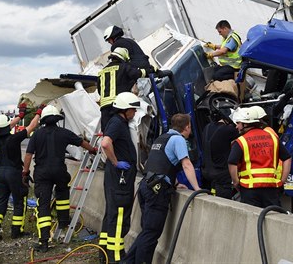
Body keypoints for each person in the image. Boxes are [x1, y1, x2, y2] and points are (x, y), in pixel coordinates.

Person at [124, 114, 201, 263]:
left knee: (146, 232)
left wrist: (175, 183)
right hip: (157, 191)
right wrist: (197, 187)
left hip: (146, 186)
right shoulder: (179, 139)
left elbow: (163, 163)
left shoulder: (162, 138)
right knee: (151, 234)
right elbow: (186, 164)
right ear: (187, 127)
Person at [23, 105, 97, 252]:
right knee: (62, 191)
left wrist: (25, 172)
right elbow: (81, 142)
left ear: (43, 120)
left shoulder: (37, 135)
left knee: (43, 205)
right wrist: (93, 150)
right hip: (59, 171)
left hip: (42, 173)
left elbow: (28, 155)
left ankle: (44, 241)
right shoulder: (64, 133)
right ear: (57, 119)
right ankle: (63, 221)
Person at [98, 92, 141, 263]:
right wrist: (116, 162)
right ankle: (116, 257)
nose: (135, 113)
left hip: (117, 176)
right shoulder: (117, 123)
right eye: (133, 109)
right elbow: (105, 143)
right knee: (120, 215)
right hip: (120, 176)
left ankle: (104, 254)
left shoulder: (118, 122)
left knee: (111, 213)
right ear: (125, 109)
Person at [0, 104, 41, 241]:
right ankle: (16, 231)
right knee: (19, 201)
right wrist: (38, 112)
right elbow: (32, 126)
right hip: (14, 172)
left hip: (0, 172)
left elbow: (7, 126)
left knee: (0, 201)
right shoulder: (14, 138)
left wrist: (20, 116)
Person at [228, 107, 292, 208]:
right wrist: (282, 180)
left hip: (249, 189)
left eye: (238, 123)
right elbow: (287, 158)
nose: (237, 127)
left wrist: (236, 183)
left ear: (246, 124)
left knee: (252, 220)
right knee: (272, 217)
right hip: (271, 188)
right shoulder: (273, 137)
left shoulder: (241, 141)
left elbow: (232, 162)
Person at [98, 47, 150, 130]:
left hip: (104, 108)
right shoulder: (123, 66)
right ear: (123, 57)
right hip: (118, 105)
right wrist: (150, 70)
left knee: (107, 132)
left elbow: (100, 90)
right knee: (122, 133)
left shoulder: (102, 71)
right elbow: (136, 73)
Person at [200, 107, 239, 199]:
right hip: (221, 174)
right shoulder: (229, 130)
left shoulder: (207, 127)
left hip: (207, 172)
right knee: (223, 200)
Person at [204, 20, 245, 99]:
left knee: (217, 76)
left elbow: (224, 51)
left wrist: (210, 55)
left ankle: (234, 78)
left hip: (234, 67)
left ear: (225, 28)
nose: (219, 34)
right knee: (214, 70)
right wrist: (214, 46)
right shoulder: (229, 37)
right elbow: (224, 46)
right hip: (228, 65)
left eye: (220, 31)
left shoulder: (232, 38)